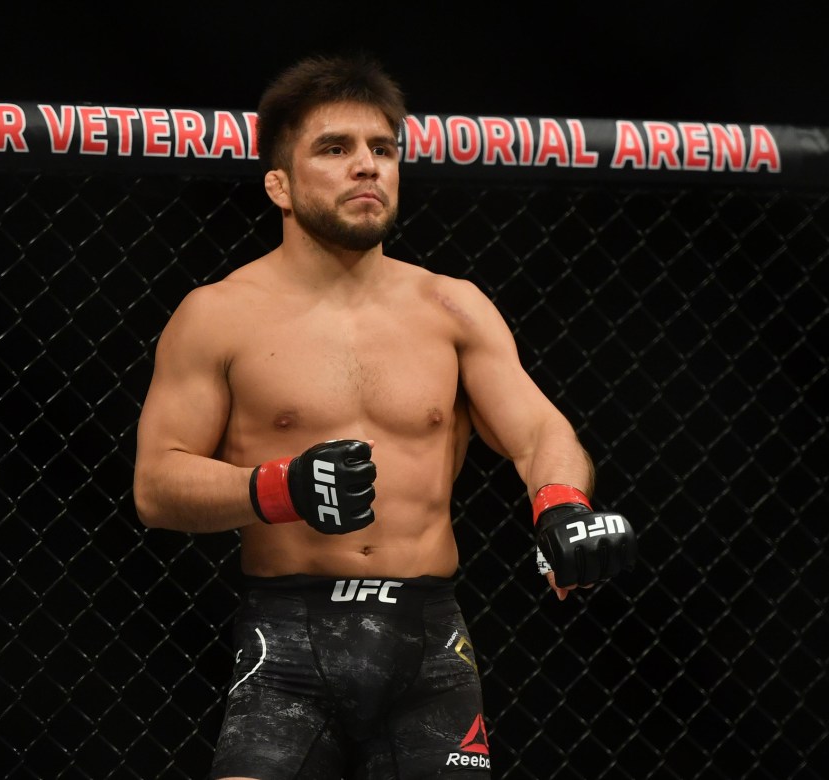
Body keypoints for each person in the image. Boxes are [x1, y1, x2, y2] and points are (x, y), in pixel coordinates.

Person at [133, 54, 637, 780]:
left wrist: (560, 504)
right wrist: (281, 488)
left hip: (429, 645)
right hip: (287, 647)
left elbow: (539, 430)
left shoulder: (452, 306)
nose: (366, 167)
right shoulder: (216, 316)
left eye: (382, 149)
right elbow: (157, 485)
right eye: (335, 149)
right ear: (278, 182)